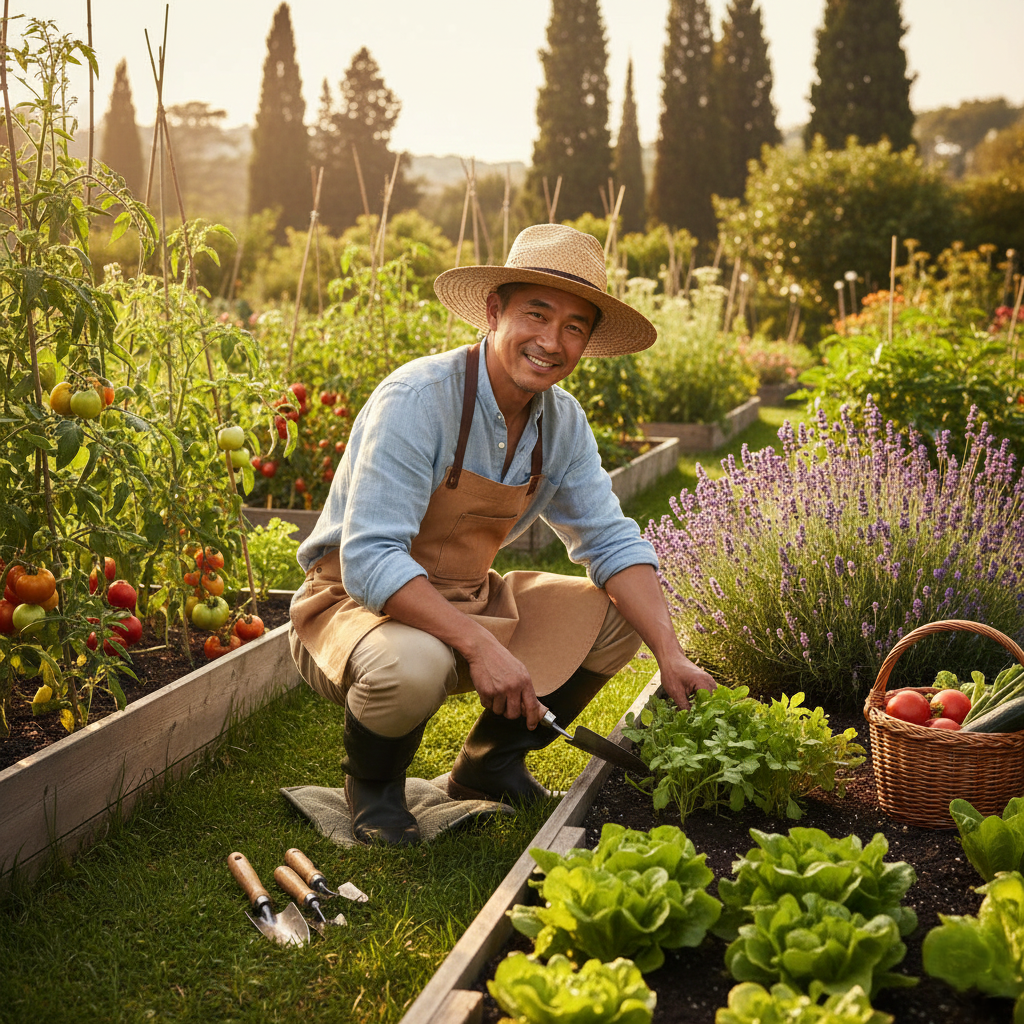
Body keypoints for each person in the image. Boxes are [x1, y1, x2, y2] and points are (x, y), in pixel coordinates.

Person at [289, 223, 716, 846]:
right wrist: (483, 649)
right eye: (536, 314)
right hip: (353, 608)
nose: (552, 341)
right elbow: (371, 560)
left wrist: (669, 653)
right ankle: (374, 789)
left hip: (466, 596)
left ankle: (488, 765)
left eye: (574, 326)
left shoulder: (561, 422)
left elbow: (611, 540)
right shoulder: (417, 399)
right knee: (416, 661)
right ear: (493, 311)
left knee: (622, 614)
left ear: (588, 342)